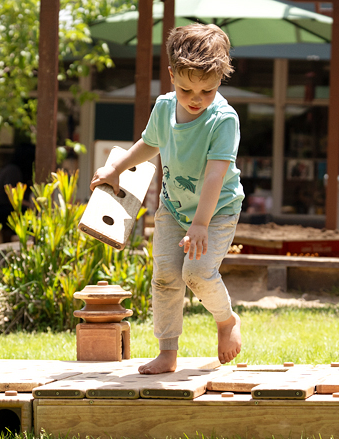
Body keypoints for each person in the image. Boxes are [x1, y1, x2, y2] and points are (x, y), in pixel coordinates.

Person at [90, 24, 244, 375]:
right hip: (173, 209)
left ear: (220, 79)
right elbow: (150, 143)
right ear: (172, 74)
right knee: (166, 276)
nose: (196, 98)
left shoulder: (223, 120)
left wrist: (201, 224)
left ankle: (226, 319)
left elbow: (215, 176)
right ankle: (167, 352)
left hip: (216, 210)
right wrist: (117, 167)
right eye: (186, 88)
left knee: (198, 273)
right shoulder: (164, 107)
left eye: (207, 90)